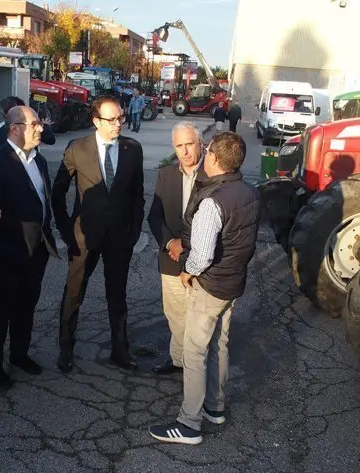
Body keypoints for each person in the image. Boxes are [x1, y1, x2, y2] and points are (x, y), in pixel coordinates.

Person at [149, 131, 260, 445]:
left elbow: (202, 254)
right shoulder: (249, 192)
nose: (203, 155)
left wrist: (187, 271)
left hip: (211, 286)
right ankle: (215, 407)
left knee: (195, 351)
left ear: (214, 158)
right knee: (218, 345)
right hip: (233, 282)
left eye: (207, 151)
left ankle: (189, 424)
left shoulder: (213, 201)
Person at [51, 94, 145, 373]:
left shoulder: (133, 149)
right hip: (84, 237)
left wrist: (134, 231)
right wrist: (67, 231)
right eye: (112, 119)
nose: (119, 124)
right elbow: (58, 193)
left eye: (121, 117)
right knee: (74, 293)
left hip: (120, 238)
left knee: (117, 296)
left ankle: (120, 350)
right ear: (96, 121)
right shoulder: (77, 148)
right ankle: (66, 348)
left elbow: (137, 195)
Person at [0, 105, 59, 388]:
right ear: (15, 129)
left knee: (26, 307)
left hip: (37, 252)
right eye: (35, 124)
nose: (41, 128)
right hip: (6, 254)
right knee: (1, 311)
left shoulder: (39, 160)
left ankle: (20, 354)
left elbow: (42, 201)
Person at [147, 121, 206, 375]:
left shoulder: (212, 175)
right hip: (171, 258)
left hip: (202, 261)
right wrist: (170, 242)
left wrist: (187, 245)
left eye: (189, 144)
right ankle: (178, 361)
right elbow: (154, 216)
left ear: (200, 144)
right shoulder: (166, 174)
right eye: (179, 146)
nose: (185, 151)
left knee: (199, 320)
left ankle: (196, 366)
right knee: (176, 315)